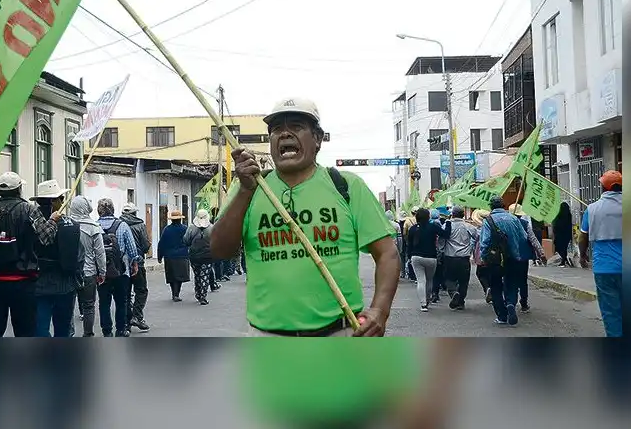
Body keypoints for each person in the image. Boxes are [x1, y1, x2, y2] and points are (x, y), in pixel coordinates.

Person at [212, 98, 400, 336]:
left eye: (297, 127)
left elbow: (387, 253)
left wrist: (380, 311)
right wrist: (246, 191)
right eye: (277, 129)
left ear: (318, 139)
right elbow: (220, 250)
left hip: (339, 336)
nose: (285, 134)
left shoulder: (347, 186)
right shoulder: (249, 188)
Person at [0, 171, 62, 337]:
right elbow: (46, 237)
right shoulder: (29, 209)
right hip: (23, 280)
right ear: (19, 189)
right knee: (25, 331)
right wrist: (53, 221)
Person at [32, 180, 80, 337]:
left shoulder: (31, 222)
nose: (63, 201)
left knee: (40, 328)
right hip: (64, 284)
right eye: (60, 198)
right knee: (63, 329)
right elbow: (78, 256)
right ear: (54, 201)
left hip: (38, 283)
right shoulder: (70, 224)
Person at [579, 171, 623, 337]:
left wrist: (582, 256)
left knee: (611, 313)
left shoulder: (592, 209)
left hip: (604, 268)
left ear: (603, 187)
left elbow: (582, 237)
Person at [96, 198, 141, 337]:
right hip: (121, 271)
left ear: (99, 211)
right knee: (122, 302)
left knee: (104, 303)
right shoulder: (122, 226)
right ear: (113, 210)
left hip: (101, 272)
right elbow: (132, 250)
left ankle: (107, 330)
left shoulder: (95, 226)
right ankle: (121, 329)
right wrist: (134, 264)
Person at [479, 196, 526, 326]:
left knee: (495, 287)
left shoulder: (488, 220)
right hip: (513, 257)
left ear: (491, 207)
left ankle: (502, 316)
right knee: (511, 284)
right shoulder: (514, 219)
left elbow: (485, 242)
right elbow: (523, 237)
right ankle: (510, 303)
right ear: (503, 205)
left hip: (494, 260)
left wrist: (483, 258)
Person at [68, 196, 105, 337]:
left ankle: (69, 333)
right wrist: (102, 272)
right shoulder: (93, 227)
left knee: (69, 306)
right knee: (88, 305)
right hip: (89, 272)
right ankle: (88, 334)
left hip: (70, 271)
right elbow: (100, 253)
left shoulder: (67, 224)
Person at [406, 208, 448, 312]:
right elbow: (445, 234)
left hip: (416, 257)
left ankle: (423, 303)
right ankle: (428, 299)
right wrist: (449, 223)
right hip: (431, 257)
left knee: (421, 280)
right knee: (429, 280)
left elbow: (409, 245)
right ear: (428, 216)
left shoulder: (412, 229)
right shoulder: (433, 227)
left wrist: (409, 257)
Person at [120, 202, 152, 333]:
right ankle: (137, 316)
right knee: (141, 290)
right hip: (138, 262)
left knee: (126, 293)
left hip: (122, 265)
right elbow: (145, 245)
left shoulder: (119, 224)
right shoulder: (140, 225)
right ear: (134, 213)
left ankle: (127, 321)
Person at [510, 203, 546, 313]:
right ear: (520, 215)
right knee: (522, 281)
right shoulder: (525, 224)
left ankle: (511, 301)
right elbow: (533, 240)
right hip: (523, 257)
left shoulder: (507, 224)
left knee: (511, 280)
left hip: (510, 257)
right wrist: (542, 253)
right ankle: (524, 303)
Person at [442, 206, 480, 310]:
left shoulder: (446, 225)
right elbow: (477, 236)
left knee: (449, 279)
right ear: (463, 215)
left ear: (452, 215)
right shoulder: (468, 226)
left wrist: (441, 249)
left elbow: (442, 239)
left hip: (450, 257)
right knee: (464, 281)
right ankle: (461, 301)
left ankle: (453, 292)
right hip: (464, 258)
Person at [183, 209, 215, 305]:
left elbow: (186, 240)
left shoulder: (191, 228)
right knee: (204, 275)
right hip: (208, 256)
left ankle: (198, 293)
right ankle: (203, 296)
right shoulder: (211, 228)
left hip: (194, 256)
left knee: (197, 275)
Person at [158, 210, 191, 301]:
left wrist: (159, 256)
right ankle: (176, 294)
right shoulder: (185, 228)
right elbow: (189, 241)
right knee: (180, 276)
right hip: (182, 256)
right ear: (180, 219)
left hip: (169, 256)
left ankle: (174, 293)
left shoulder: (167, 229)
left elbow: (161, 243)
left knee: (172, 276)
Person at [470, 209, 493, 302]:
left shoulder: (477, 231)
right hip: (491, 254)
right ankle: (490, 289)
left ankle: (487, 288)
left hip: (480, 254)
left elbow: (472, 243)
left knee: (480, 273)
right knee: (489, 272)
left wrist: (470, 254)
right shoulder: (492, 229)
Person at [553, 202, 574, 267]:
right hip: (567, 235)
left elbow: (556, 225)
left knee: (559, 248)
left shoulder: (558, 215)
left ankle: (564, 260)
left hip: (559, 235)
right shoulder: (569, 216)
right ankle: (564, 260)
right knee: (564, 248)